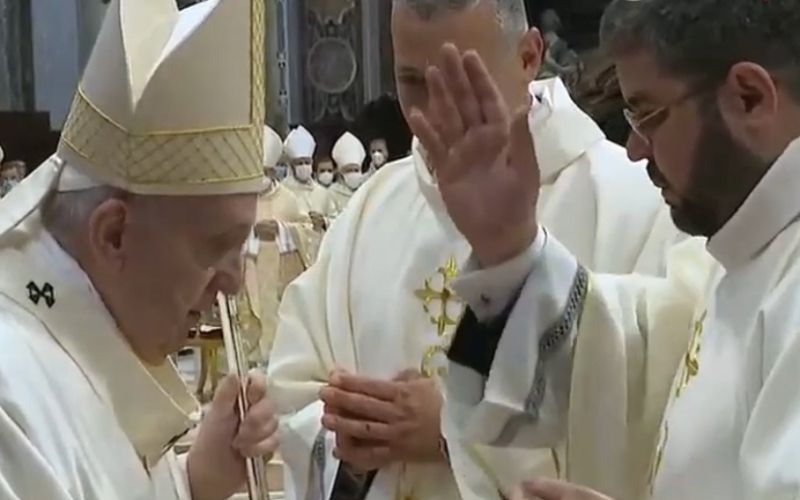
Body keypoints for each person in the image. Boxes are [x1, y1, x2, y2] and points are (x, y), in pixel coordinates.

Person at [267, 1, 681, 499]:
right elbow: (293, 389)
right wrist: (348, 439)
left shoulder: (634, 205)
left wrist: (455, 431)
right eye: (413, 82)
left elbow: (654, 424)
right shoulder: (371, 209)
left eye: (463, 79)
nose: (433, 110)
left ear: (529, 56)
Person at [435, 0, 800, 499]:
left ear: (750, 97)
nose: (635, 147)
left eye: (648, 114)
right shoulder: (748, 251)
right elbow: (633, 353)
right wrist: (507, 249)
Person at [0, 0, 279, 498]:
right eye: (217, 245)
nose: (235, 280)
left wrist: (194, 483)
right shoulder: (11, 398)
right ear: (112, 235)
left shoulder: (86, 340)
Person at [241, 126, 324, 363]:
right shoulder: (241, 200)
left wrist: (282, 230)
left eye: (266, 171)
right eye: (258, 171)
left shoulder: (288, 198)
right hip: (250, 273)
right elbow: (226, 236)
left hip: (281, 275)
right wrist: (253, 233)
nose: (262, 176)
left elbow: (308, 231)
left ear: (273, 171)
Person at [282, 125, 331, 217]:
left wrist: (323, 221)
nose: (304, 166)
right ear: (292, 167)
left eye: (307, 162)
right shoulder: (283, 192)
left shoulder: (322, 192)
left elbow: (334, 220)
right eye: (300, 163)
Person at [328, 131, 366, 215]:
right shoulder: (332, 192)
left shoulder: (366, 189)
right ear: (341, 172)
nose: (353, 173)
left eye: (356, 170)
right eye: (348, 170)